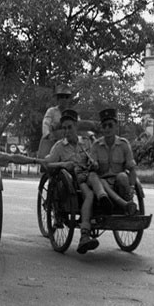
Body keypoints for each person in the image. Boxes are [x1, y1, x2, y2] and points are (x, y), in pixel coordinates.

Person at [44, 109, 110, 254]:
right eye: (64, 128)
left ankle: (107, 203)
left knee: (100, 183)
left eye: (70, 127)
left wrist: (95, 163)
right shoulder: (59, 147)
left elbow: (95, 159)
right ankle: (84, 236)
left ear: (76, 127)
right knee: (89, 195)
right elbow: (47, 164)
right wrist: (63, 164)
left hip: (90, 177)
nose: (67, 131)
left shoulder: (87, 142)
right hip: (73, 184)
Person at [90, 108, 137, 216]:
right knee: (101, 181)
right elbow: (92, 167)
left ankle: (125, 204)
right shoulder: (96, 146)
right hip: (103, 188)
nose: (107, 129)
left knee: (122, 176)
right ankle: (124, 205)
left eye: (110, 125)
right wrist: (94, 165)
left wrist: (132, 187)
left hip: (120, 185)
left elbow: (132, 168)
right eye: (104, 126)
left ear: (116, 126)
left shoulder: (124, 144)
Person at [37, 84, 72, 158]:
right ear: (58, 99)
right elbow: (46, 123)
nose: (64, 99)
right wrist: (47, 134)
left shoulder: (72, 113)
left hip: (67, 141)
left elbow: (79, 125)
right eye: (62, 97)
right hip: (52, 139)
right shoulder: (51, 111)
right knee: (45, 160)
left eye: (66, 97)